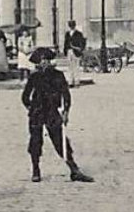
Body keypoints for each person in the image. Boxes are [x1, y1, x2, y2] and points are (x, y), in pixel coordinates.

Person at [22, 47, 93, 183]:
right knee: (35, 142)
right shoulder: (34, 77)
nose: (45, 63)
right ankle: (36, 170)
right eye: (42, 61)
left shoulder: (58, 75)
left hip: (52, 111)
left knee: (60, 141)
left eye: (47, 60)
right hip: (37, 113)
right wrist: (31, 108)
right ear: (38, 63)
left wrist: (66, 112)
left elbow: (66, 95)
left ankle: (74, 170)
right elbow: (25, 97)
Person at [62, 20, 86, 90]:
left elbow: (83, 42)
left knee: (76, 67)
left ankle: (76, 82)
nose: (71, 26)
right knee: (70, 67)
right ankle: (70, 82)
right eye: (70, 25)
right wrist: (65, 51)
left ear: (74, 26)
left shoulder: (79, 34)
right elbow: (65, 43)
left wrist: (81, 49)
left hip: (76, 52)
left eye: (72, 25)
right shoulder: (67, 34)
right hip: (69, 51)